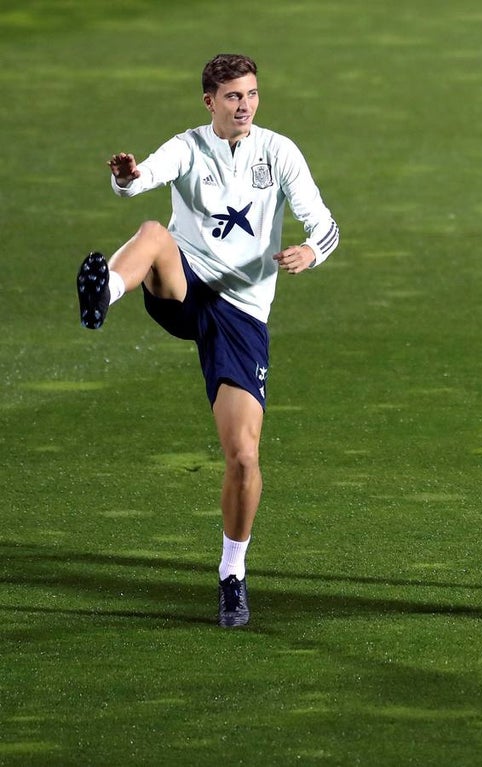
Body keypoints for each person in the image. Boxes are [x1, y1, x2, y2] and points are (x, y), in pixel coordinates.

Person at [75, 53, 340, 628]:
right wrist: (126, 177)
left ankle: (231, 574)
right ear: (209, 101)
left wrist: (310, 251)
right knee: (153, 232)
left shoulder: (279, 152)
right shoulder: (188, 147)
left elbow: (326, 224)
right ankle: (104, 296)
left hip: (242, 314)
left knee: (243, 456)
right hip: (184, 284)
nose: (245, 105)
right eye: (233, 96)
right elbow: (138, 183)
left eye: (251, 94)